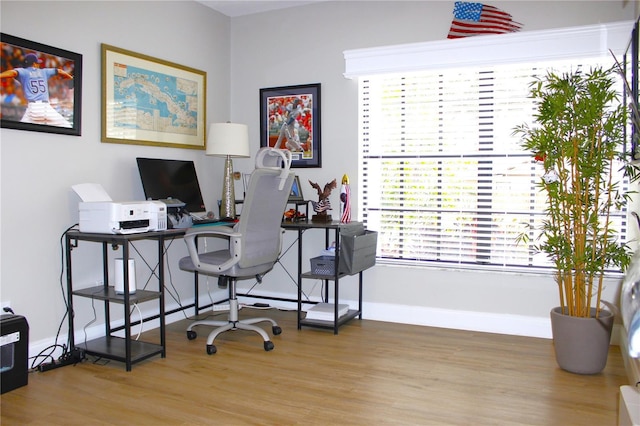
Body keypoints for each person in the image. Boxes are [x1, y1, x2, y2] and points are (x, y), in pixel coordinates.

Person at [0, 53, 74, 127]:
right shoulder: (44, 71)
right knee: (67, 126)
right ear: (34, 64)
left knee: (20, 128)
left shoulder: (24, 72)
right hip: (44, 108)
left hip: (32, 109)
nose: (38, 65)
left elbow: (12, 73)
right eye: (37, 63)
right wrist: (70, 78)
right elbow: (60, 71)